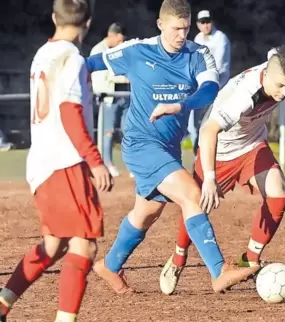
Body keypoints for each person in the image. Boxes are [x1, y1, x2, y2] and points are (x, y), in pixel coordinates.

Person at [85, 0, 260, 294]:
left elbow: (209, 89)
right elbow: (89, 64)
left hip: (169, 148)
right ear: (160, 25)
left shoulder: (198, 53)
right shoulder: (137, 51)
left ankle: (110, 265)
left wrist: (179, 105)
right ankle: (219, 271)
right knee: (192, 194)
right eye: (176, 28)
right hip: (141, 144)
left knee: (148, 211)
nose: (182, 34)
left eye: (186, 28)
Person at [0, 0, 114, 321]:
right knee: (85, 247)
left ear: (54, 18)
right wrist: (94, 160)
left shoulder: (44, 53)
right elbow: (69, 110)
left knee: (54, 244)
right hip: (64, 161)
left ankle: (1, 305)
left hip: (41, 163)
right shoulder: (73, 58)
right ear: (89, 22)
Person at [160, 45, 285, 295]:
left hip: (252, 145)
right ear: (266, 75)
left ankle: (249, 260)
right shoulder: (245, 96)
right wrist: (210, 178)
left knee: (279, 192)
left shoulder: (277, 67)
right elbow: (207, 131)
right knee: (197, 206)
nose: (284, 93)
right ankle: (178, 258)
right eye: (279, 86)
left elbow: (278, 55)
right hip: (219, 151)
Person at [187, 9, 231, 155]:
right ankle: (197, 152)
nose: (206, 25)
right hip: (201, 86)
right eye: (202, 22)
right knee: (192, 123)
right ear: (198, 24)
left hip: (218, 88)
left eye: (208, 22)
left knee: (209, 122)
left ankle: (205, 153)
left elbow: (217, 66)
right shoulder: (198, 39)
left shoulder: (221, 39)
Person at [90, 22, 129, 177]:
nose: (121, 44)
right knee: (108, 131)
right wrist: (125, 79)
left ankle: (131, 164)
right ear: (111, 35)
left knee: (128, 130)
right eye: (119, 40)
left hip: (123, 96)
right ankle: (107, 162)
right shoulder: (98, 51)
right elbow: (106, 76)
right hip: (108, 97)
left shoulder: (119, 50)